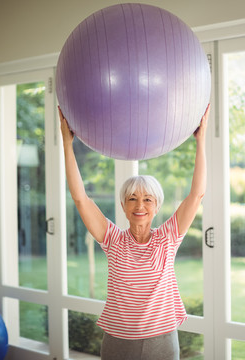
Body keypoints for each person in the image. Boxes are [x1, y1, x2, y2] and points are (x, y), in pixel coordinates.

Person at [58, 104, 210, 360]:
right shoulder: (113, 239)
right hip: (118, 340)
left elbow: (197, 195)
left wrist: (201, 141)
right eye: (132, 199)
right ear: (123, 206)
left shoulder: (167, 238)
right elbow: (80, 198)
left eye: (148, 200)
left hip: (161, 339)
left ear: (157, 206)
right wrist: (66, 143)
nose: (140, 205)